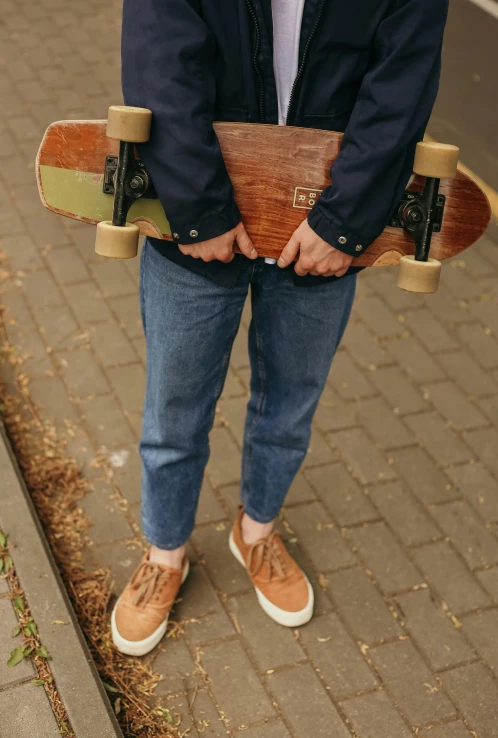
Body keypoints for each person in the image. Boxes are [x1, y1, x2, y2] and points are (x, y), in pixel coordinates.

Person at [111, 0, 449, 656]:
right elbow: (160, 63)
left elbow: (401, 86)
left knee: (289, 407)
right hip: (199, 224)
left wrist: (344, 222)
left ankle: (256, 532)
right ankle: (166, 553)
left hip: (324, 233)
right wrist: (201, 210)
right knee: (174, 412)